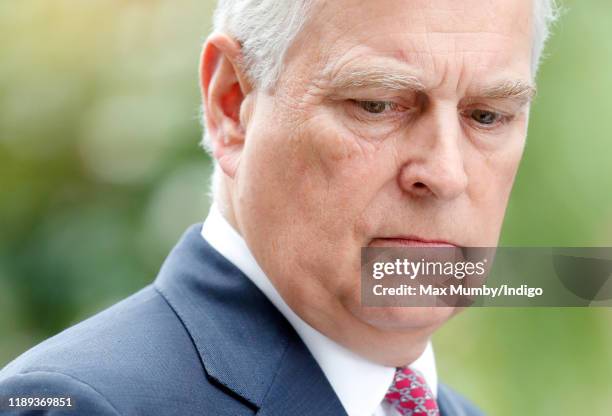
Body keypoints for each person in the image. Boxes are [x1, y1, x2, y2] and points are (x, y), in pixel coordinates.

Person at [0, 0, 558, 414]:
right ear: (232, 105)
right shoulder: (84, 403)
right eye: (377, 104)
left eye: (488, 116)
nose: (445, 173)